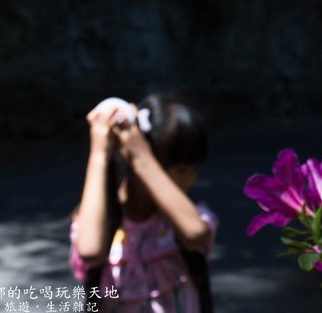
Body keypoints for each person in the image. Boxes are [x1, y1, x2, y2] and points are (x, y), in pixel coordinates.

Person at [69, 92, 217, 312]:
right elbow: (90, 251)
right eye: (181, 169)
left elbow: (196, 234)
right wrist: (101, 153)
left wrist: (142, 158)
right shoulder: (97, 218)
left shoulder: (190, 216)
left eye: (195, 170)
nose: (191, 179)